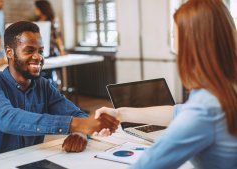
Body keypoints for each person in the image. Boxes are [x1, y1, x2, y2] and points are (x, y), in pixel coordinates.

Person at [95, 0, 237, 168]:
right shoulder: (225, 88)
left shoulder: (206, 107)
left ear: (191, 44)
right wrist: (119, 113)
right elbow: (178, 112)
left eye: (173, 36)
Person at [0, 21, 119, 159]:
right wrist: (75, 125)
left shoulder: (42, 85)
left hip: (29, 161)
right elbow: (7, 119)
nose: (38, 57)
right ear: (9, 52)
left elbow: (78, 115)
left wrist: (80, 132)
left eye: (40, 51)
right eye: (29, 50)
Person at [34, 0, 65, 86]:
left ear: (41, 9)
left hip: (51, 53)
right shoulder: (36, 22)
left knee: (49, 76)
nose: (35, 10)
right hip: (41, 53)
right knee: (40, 75)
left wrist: (61, 50)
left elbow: (57, 37)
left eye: (36, 9)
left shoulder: (52, 22)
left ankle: (52, 91)